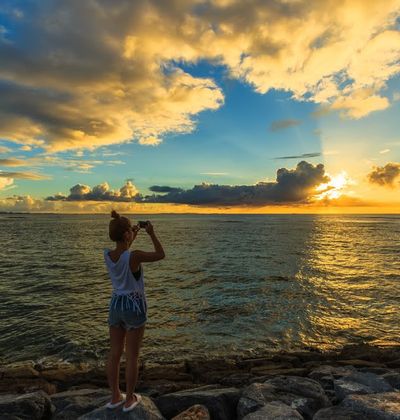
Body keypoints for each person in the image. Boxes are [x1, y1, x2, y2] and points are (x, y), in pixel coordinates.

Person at [103, 210, 165, 412]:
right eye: (130, 231)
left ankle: (115, 396)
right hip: (134, 306)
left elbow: (123, 251)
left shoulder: (108, 254)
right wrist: (151, 233)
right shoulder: (135, 256)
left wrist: (132, 231)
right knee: (132, 356)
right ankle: (129, 399)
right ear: (127, 234)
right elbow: (160, 254)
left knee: (114, 354)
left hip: (116, 305)